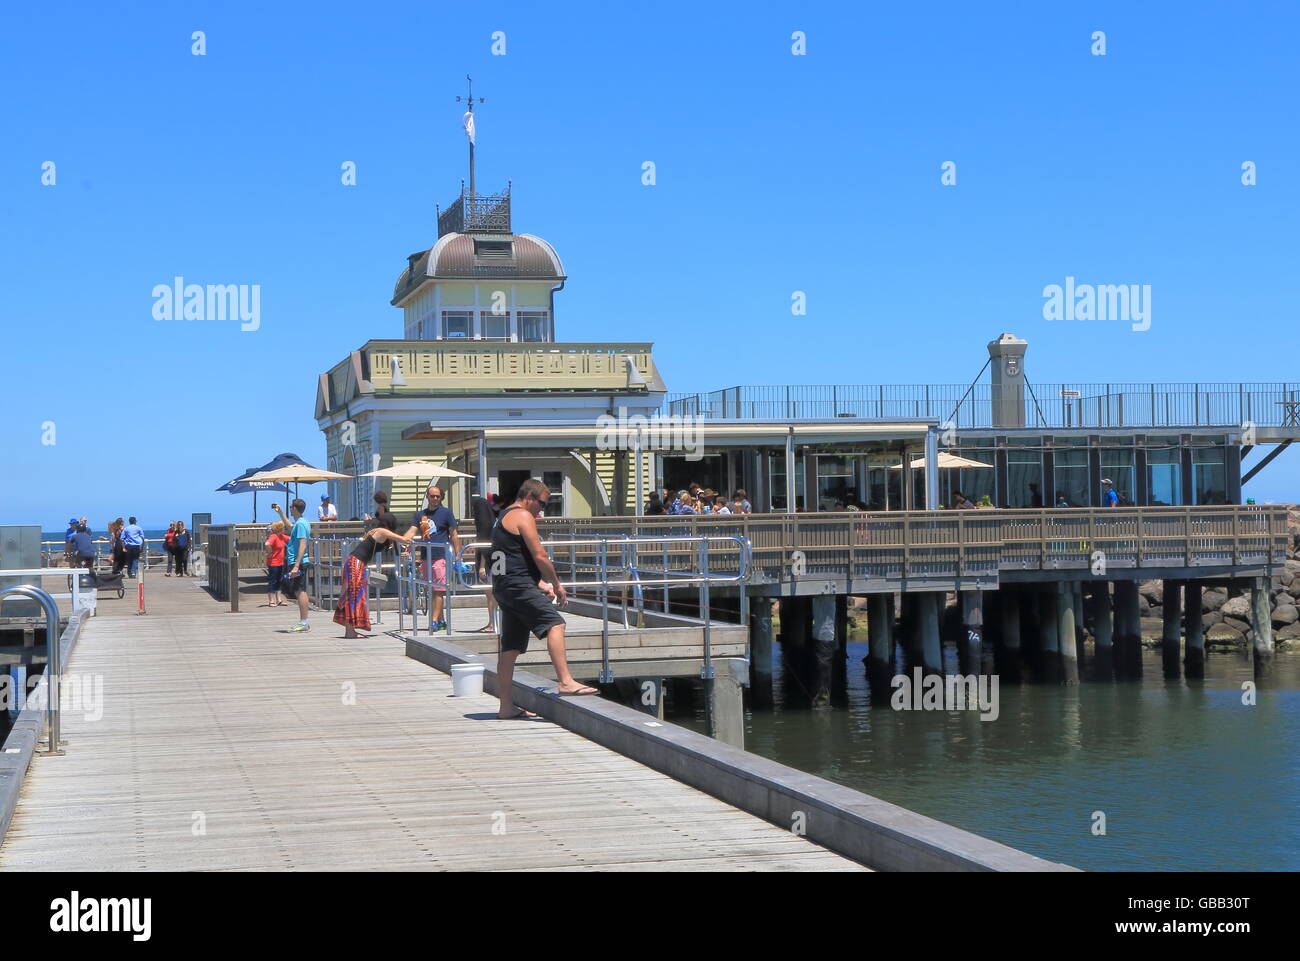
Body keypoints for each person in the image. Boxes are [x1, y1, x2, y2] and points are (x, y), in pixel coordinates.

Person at [492, 478, 597, 718]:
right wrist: (557, 585)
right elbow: (539, 556)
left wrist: (538, 583)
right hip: (517, 587)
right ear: (529, 498)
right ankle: (566, 681)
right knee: (555, 624)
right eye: (541, 504)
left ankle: (505, 707)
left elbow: (510, 558)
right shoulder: (523, 516)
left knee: (510, 649)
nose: (542, 510)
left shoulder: (502, 517)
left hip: (504, 587)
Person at [334, 523, 411, 639]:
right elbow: (405, 539)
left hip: (354, 562)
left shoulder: (376, 532)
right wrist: (413, 532)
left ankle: (350, 630)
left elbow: (398, 543)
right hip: (356, 563)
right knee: (354, 595)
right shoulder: (382, 531)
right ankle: (350, 631)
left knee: (352, 595)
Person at [403, 485, 462, 631]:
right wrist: (402, 540)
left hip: (440, 556)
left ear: (441, 497)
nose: (435, 499)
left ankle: (434, 621)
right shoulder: (420, 514)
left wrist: (457, 554)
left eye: (437, 496)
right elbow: (412, 531)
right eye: (432, 496)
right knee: (431, 589)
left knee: (439, 589)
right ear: (427, 497)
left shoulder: (446, 513)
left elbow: (454, 534)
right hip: (425, 555)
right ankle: (441, 621)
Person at [273, 500, 312, 632]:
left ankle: (304, 622)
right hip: (298, 561)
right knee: (299, 590)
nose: (290, 509)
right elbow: (290, 527)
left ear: (294, 508)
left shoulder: (301, 524)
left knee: (300, 591)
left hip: (298, 562)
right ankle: (304, 621)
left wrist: (296, 565)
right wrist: (281, 514)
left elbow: (302, 543)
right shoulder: (301, 522)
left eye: (290, 507)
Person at [265, 520, 289, 607]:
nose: (284, 529)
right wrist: (270, 552)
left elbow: (290, 540)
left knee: (279, 581)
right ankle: (271, 601)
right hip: (273, 563)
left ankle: (279, 600)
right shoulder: (274, 536)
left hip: (280, 562)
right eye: (283, 528)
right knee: (273, 581)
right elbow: (267, 544)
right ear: (279, 528)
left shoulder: (281, 536)